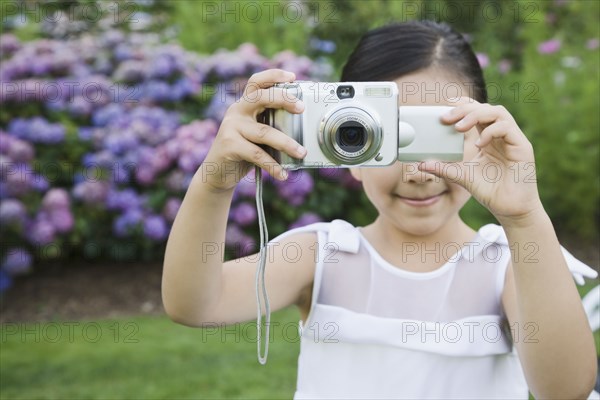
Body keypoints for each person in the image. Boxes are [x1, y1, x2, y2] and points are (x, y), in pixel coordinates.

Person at [162, 21, 598, 399]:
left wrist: (525, 219)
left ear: (484, 132)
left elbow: (566, 390)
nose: (417, 172)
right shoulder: (322, 256)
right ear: (341, 146)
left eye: (435, 135)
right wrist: (215, 182)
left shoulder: (508, 264)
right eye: (382, 138)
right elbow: (195, 305)